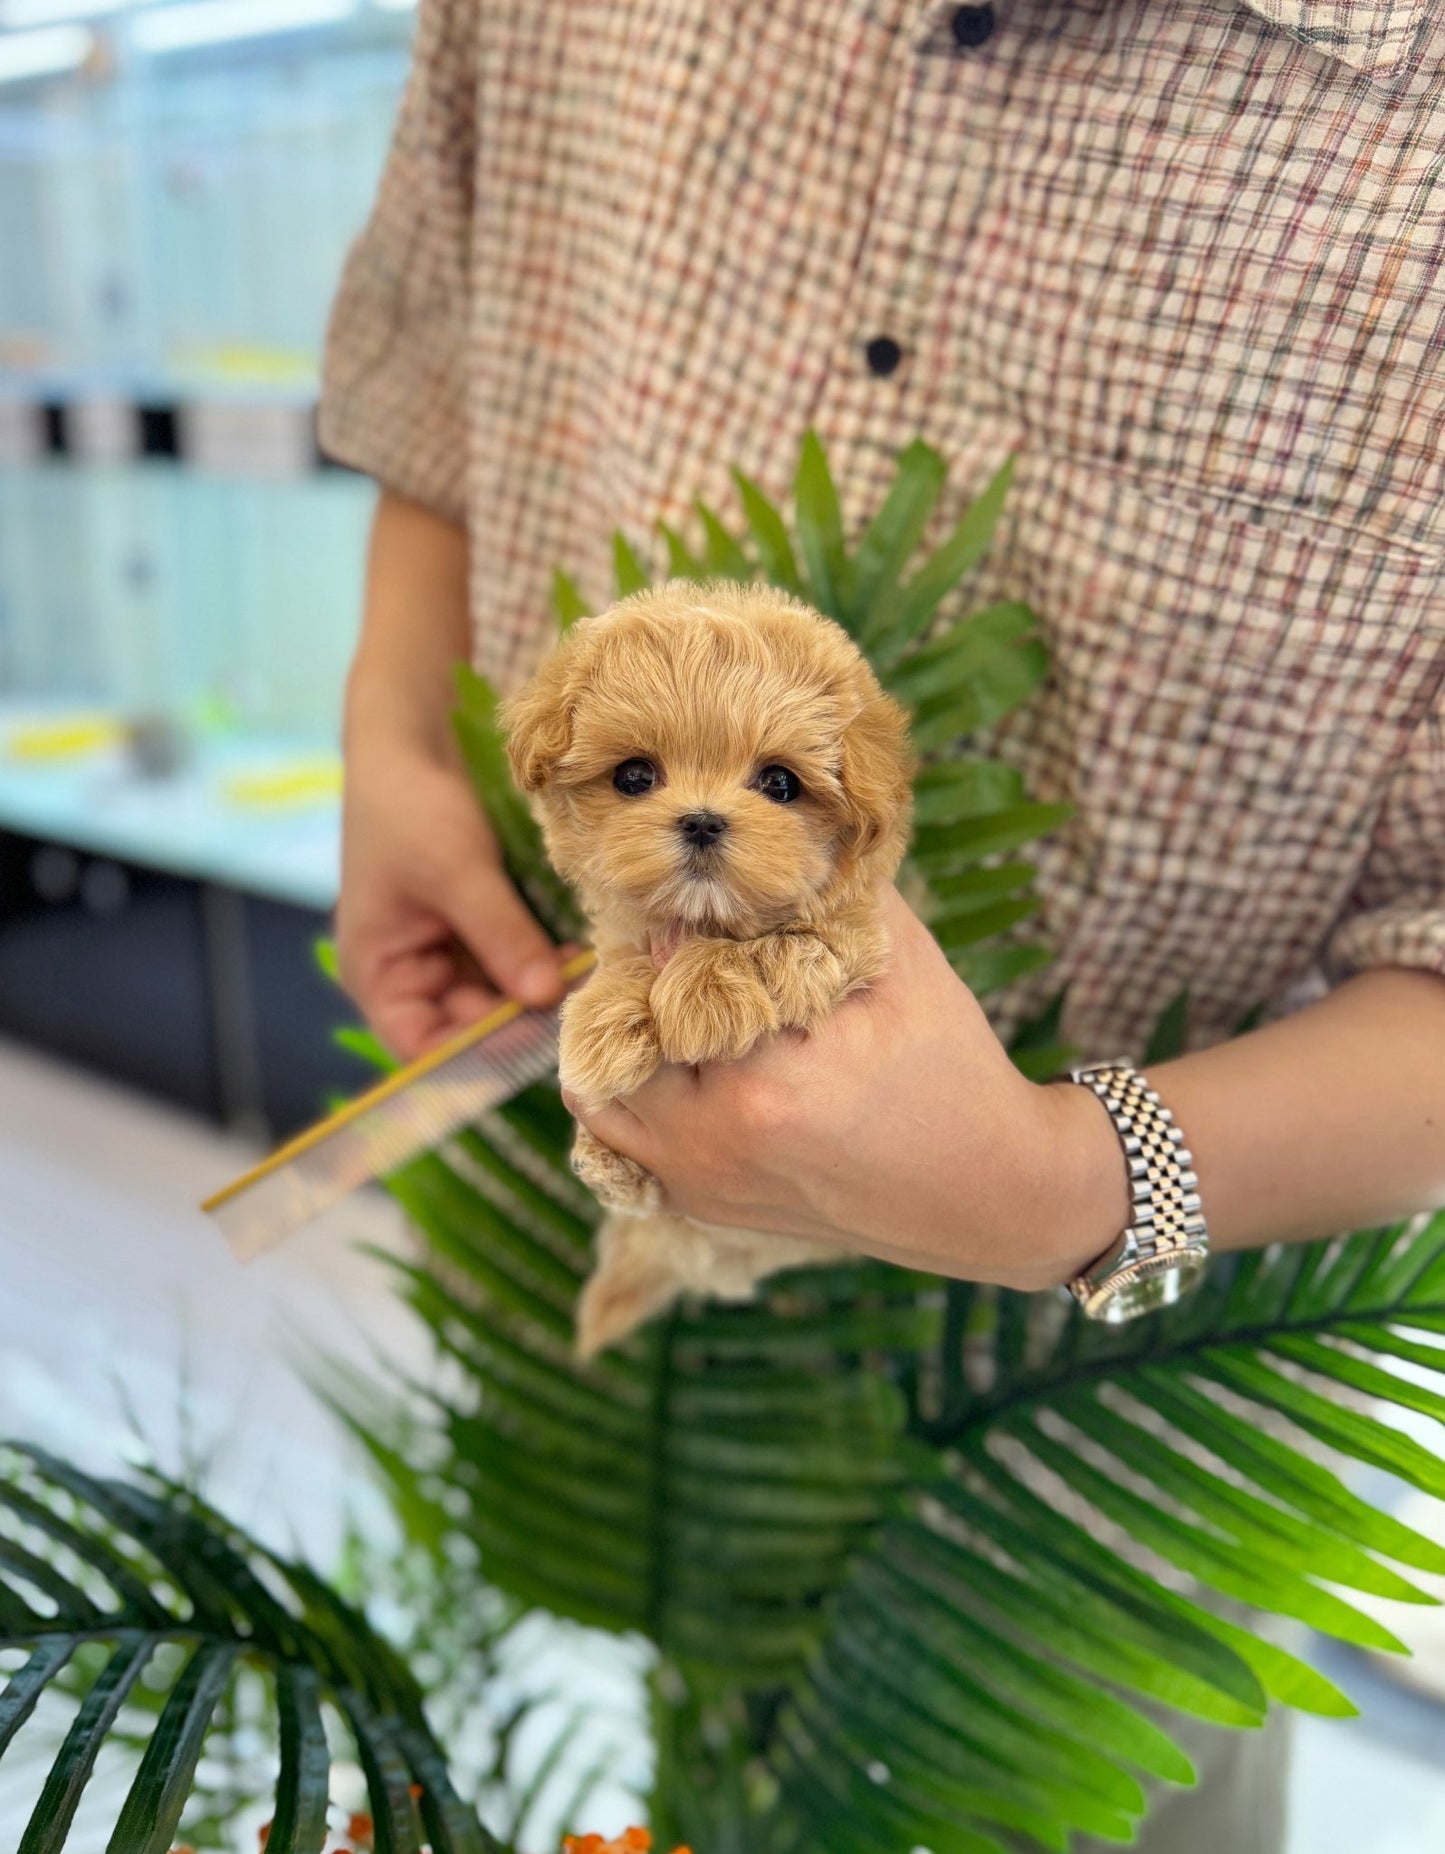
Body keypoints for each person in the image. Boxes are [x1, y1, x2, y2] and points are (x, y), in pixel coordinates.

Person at [320, 2, 1445, 1845]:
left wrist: (1069, 1178)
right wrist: (394, 733)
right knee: (616, 1743)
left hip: (1111, 1405)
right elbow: (428, 341)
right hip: (598, 1248)